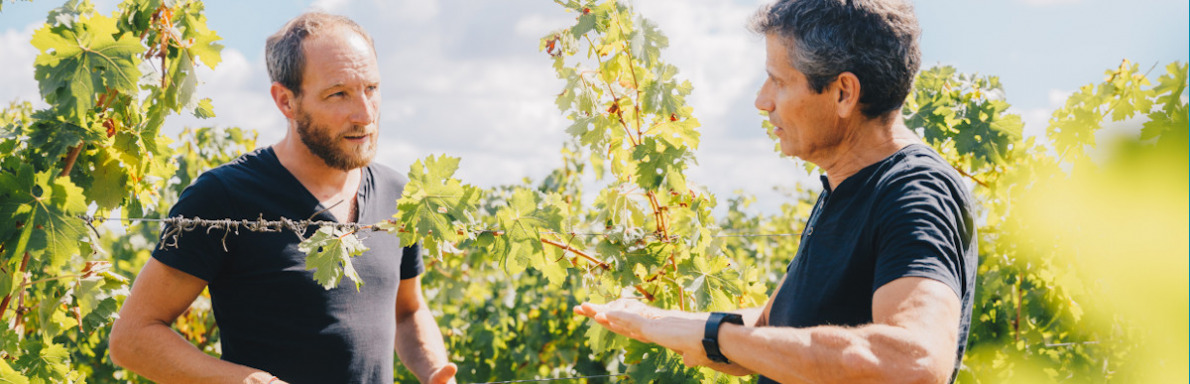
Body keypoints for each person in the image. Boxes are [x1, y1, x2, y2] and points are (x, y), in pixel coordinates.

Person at [575, 0, 977, 383]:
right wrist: (653, 323)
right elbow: (773, 328)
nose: (761, 100)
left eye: (780, 81)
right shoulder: (845, 187)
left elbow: (913, 364)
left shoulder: (914, 193)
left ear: (843, 93)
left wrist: (715, 337)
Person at [109, 12, 457, 384]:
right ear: (285, 101)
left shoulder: (397, 195)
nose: (365, 114)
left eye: (371, 88)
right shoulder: (223, 199)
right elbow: (132, 338)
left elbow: (407, 311)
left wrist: (435, 370)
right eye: (338, 93)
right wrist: (251, 382)